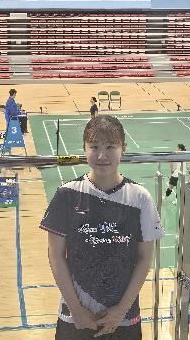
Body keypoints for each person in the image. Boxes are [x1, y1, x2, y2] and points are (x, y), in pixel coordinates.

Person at [40, 115, 163, 339]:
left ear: (123, 148)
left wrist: (121, 310)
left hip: (124, 318)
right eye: (94, 147)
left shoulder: (140, 198)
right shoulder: (67, 194)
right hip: (74, 318)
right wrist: (76, 309)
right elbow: (55, 255)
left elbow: (145, 257)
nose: (102, 155)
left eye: (110, 147)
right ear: (84, 148)